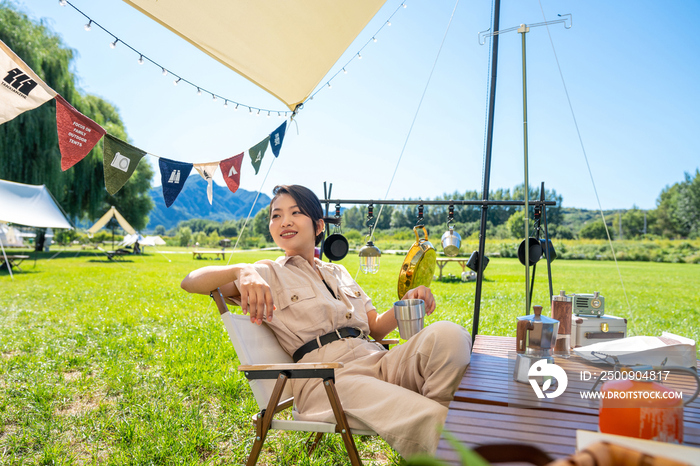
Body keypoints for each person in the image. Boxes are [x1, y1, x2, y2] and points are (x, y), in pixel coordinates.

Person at [181, 185, 472, 458]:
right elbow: (190, 281)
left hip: (378, 361)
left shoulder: (339, 273)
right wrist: (242, 270)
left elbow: (375, 327)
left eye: (296, 212)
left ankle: (439, 427)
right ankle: (448, 439)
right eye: (276, 215)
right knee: (430, 418)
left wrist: (406, 303)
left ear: (318, 225)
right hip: (330, 380)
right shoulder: (266, 272)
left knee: (450, 335)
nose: (285, 221)